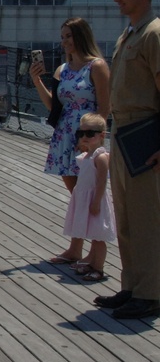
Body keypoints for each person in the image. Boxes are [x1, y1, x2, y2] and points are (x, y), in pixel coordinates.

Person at [94, 0, 160, 319]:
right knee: (127, 218)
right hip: (123, 133)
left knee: (147, 218)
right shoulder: (131, 33)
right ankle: (132, 286)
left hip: (145, 134)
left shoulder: (154, 33)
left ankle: (150, 292)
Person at [29, 18, 110, 266]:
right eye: (62, 36)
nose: (64, 41)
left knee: (90, 191)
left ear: (81, 36)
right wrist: (37, 81)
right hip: (65, 136)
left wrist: (91, 140)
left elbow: (105, 109)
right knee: (76, 194)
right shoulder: (62, 69)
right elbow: (54, 107)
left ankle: (96, 251)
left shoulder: (97, 66)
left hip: (86, 137)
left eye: (68, 36)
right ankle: (76, 248)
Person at [62, 113, 115, 282]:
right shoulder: (88, 154)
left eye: (89, 134)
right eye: (81, 133)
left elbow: (101, 183)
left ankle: (98, 268)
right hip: (83, 198)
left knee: (98, 237)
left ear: (101, 136)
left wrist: (96, 202)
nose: (84, 137)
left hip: (94, 199)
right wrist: (83, 144)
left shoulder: (100, 157)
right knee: (90, 232)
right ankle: (90, 263)